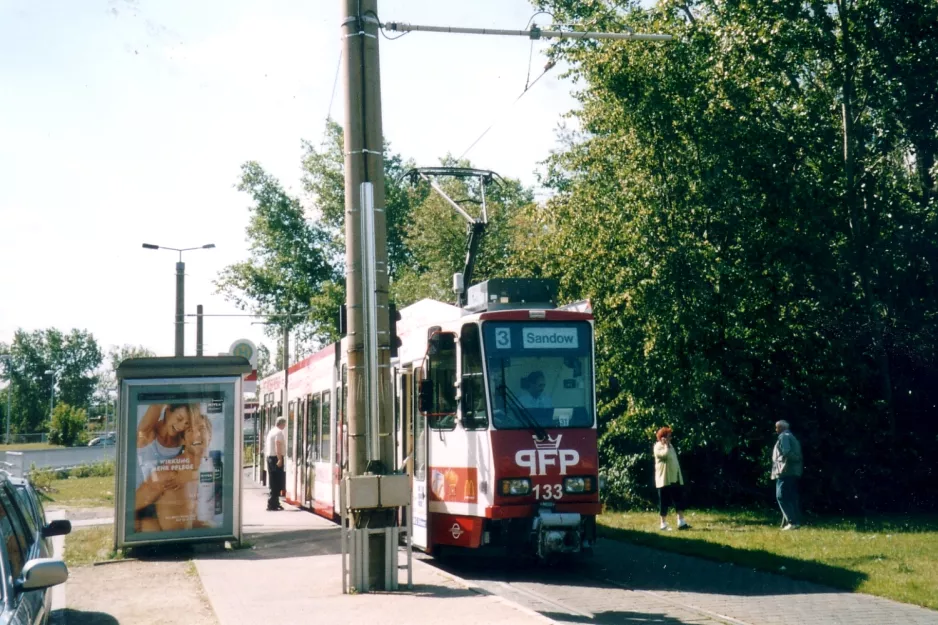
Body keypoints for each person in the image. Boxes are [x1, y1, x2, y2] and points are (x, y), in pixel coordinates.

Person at [134, 403, 192, 532]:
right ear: (168, 411)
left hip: (164, 505)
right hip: (139, 503)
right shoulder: (148, 435)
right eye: (179, 418)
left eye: (187, 423)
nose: (182, 426)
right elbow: (157, 405)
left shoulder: (182, 441)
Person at [654, 426, 691, 531]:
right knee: (664, 502)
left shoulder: (671, 446)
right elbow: (664, 456)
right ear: (662, 437)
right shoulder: (658, 447)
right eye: (668, 436)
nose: (670, 438)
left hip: (674, 478)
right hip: (664, 479)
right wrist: (665, 445)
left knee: (678, 499)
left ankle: (681, 522)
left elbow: (675, 461)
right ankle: (663, 524)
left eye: (670, 436)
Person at [771, 420, 803, 530]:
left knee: (781, 496)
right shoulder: (792, 436)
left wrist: (796, 459)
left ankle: (791, 522)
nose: (776, 430)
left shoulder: (784, 436)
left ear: (780, 428)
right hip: (793, 471)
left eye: (777, 427)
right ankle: (792, 522)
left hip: (785, 471)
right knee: (790, 497)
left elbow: (786, 452)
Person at [265, 416, 287, 511]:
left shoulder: (271, 431)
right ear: (281, 424)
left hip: (270, 458)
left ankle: (275, 502)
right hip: (275, 458)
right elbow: (277, 444)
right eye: (284, 424)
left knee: (273, 481)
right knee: (276, 482)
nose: (285, 426)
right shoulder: (278, 432)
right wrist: (280, 459)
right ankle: (272, 504)